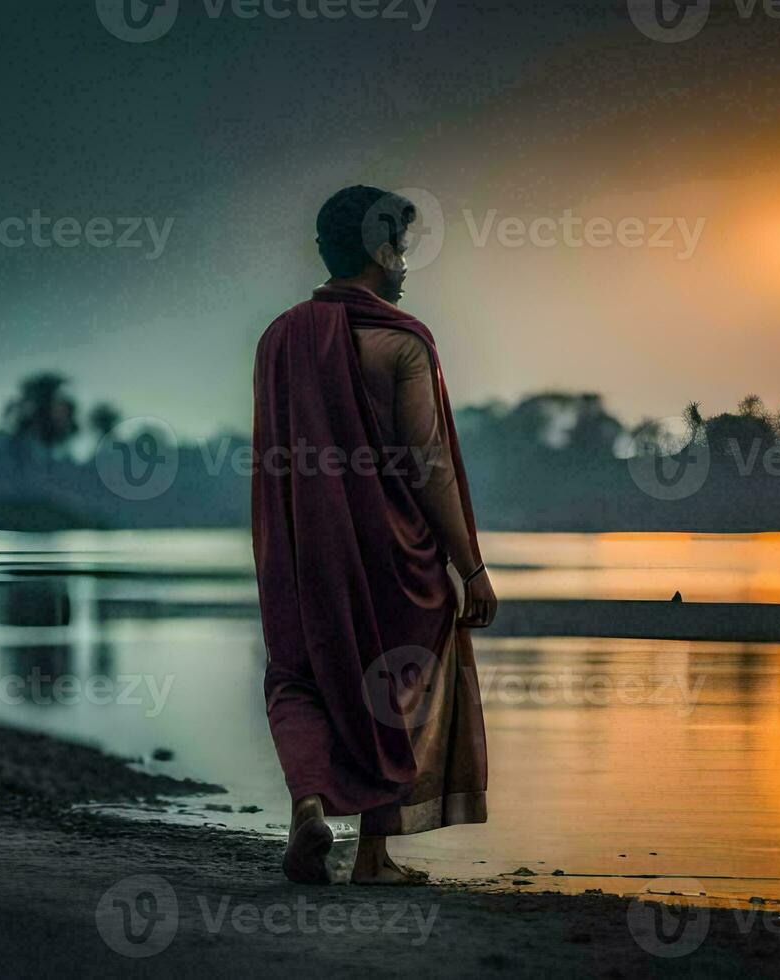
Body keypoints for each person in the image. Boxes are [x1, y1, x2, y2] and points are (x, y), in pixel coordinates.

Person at [251, 185, 498, 885]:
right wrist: (470, 567)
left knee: (298, 678)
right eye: (404, 248)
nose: (407, 265)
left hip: (300, 552)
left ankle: (308, 809)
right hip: (393, 556)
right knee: (392, 689)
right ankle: (371, 857)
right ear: (380, 248)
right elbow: (429, 462)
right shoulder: (400, 341)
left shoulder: (279, 336)